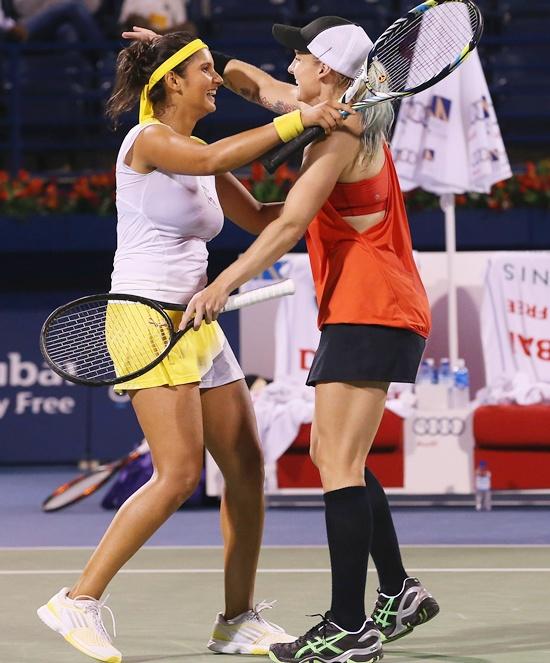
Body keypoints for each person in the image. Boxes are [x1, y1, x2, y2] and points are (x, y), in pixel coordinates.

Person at [36, 30, 352, 663]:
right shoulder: (148, 141)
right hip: (143, 318)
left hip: (196, 321)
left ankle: (236, 621)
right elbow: (213, 163)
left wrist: (332, 165)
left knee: (245, 469)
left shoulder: (204, 150)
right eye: (204, 69)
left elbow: (266, 219)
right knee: (178, 474)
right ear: (173, 82)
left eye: (214, 67)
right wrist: (302, 117)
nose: (215, 79)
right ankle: (79, 599)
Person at [177, 16, 440, 663]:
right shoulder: (323, 106)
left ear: (324, 66)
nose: (290, 62)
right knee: (335, 452)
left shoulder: (346, 130)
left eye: (299, 54)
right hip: (363, 306)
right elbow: (254, 82)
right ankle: (400, 590)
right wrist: (196, 58)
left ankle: (350, 625)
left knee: (339, 464)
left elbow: (290, 221)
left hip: (371, 305)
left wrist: (223, 285)